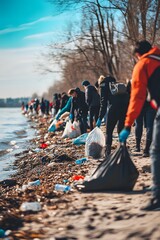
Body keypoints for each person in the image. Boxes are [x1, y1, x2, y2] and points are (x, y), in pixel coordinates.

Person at [119, 40, 160, 211]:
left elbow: (137, 98)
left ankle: (157, 197)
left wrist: (127, 125)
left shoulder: (143, 64)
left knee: (156, 151)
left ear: (137, 54)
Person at [96, 75, 129, 156]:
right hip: (124, 108)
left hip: (113, 109)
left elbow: (103, 103)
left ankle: (108, 152)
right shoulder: (117, 85)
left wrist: (100, 118)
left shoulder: (103, 86)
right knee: (121, 129)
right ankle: (123, 149)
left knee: (109, 131)